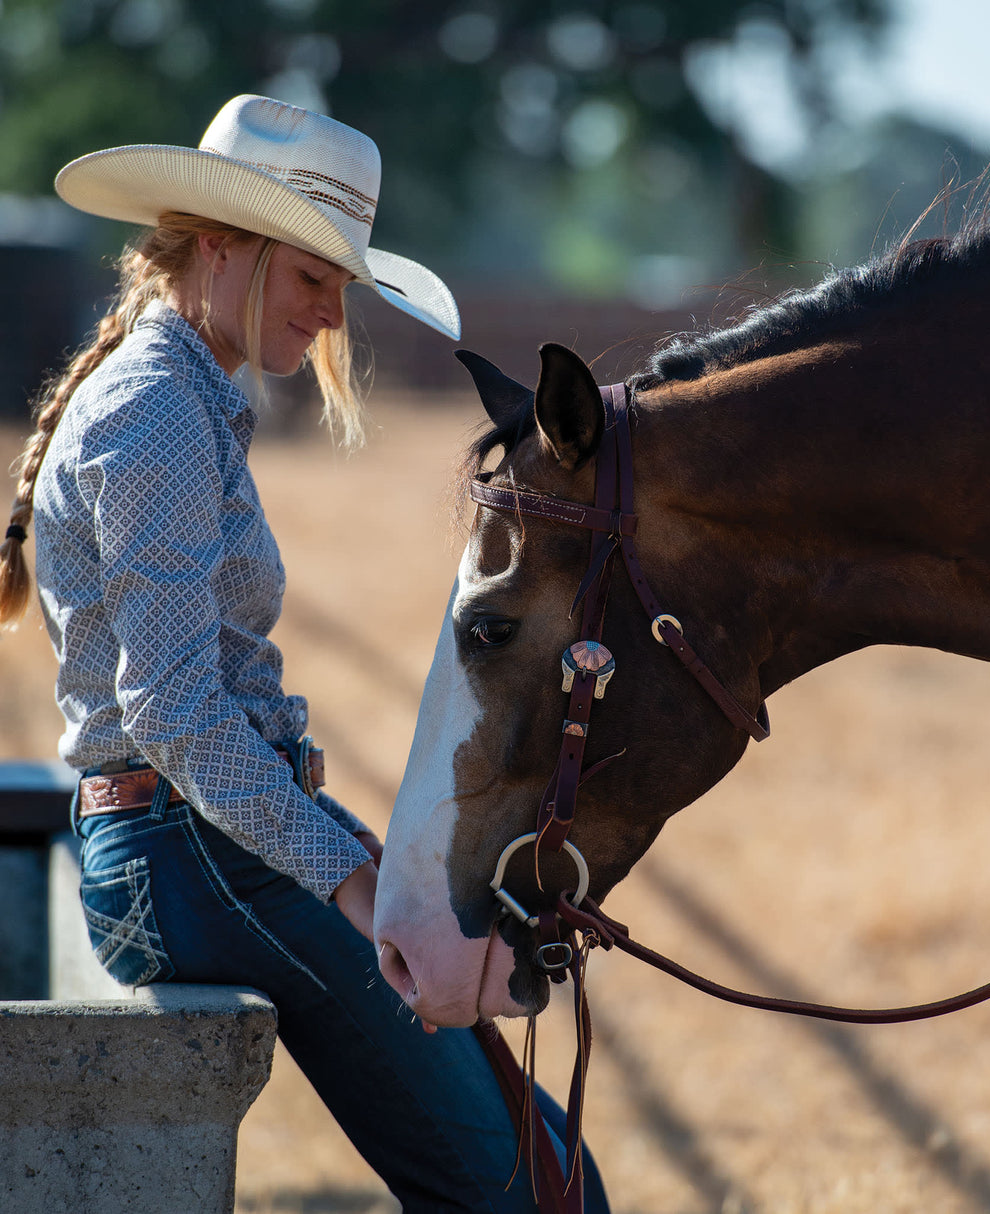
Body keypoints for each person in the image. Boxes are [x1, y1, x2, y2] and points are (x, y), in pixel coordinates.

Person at [0, 94, 608, 1213]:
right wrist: (353, 879)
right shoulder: (154, 414)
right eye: (314, 278)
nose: (332, 315)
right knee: (520, 1186)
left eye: (342, 287)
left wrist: (356, 858)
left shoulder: (183, 397)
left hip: (202, 844)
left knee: (543, 1163)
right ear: (219, 247)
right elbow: (176, 713)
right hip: (186, 855)